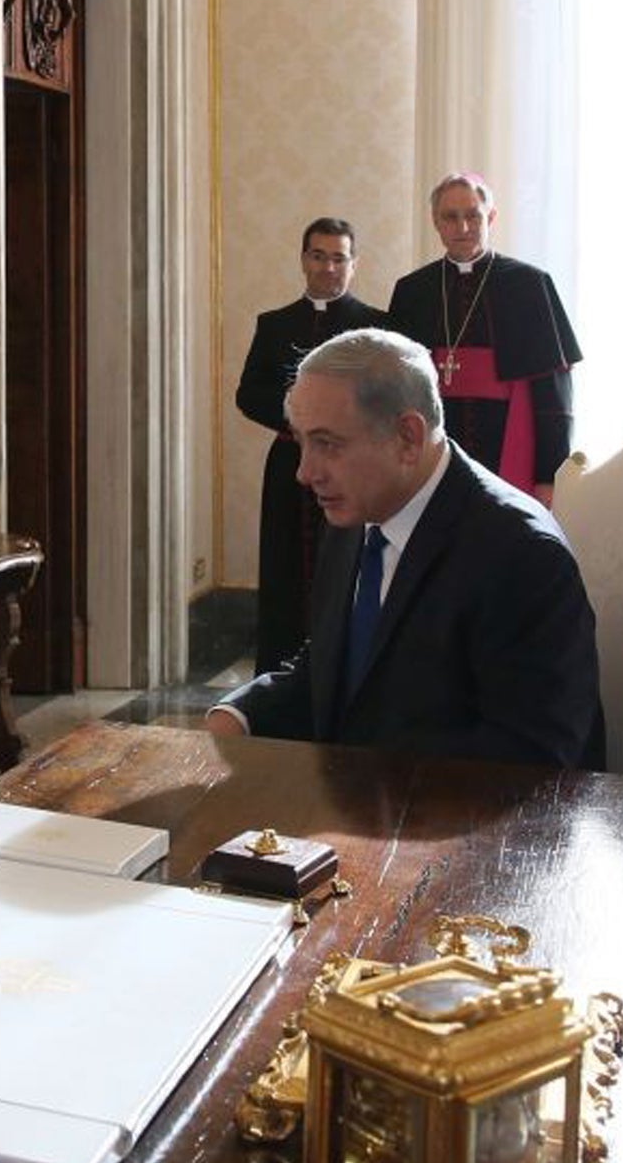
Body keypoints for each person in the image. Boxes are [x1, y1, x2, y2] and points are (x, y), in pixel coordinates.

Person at [207, 329, 602, 768]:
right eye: (302, 442)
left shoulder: (522, 555)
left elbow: (531, 756)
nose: (304, 472)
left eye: (327, 444)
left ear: (408, 437)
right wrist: (241, 714)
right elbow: (334, 666)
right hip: (359, 809)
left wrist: (365, 799)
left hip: (460, 824)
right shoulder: (355, 512)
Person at [235, 217, 385, 674]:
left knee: (346, 563)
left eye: (339, 257)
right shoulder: (274, 324)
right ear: (304, 260)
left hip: (352, 466)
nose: (328, 267)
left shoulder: (374, 326)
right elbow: (248, 393)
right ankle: (279, 671)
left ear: (353, 264)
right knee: (284, 568)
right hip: (288, 461)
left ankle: (343, 665)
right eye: (318, 255)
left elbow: (384, 394)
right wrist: (301, 415)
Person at [387, 173, 583, 504]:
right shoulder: (412, 290)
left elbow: (554, 396)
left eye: (473, 216)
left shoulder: (529, 285)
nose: (462, 227)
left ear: (490, 217)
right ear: (435, 221)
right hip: (434, 447)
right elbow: (394, 391)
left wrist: (547, 476)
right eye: (450, 217)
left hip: (506, 441)